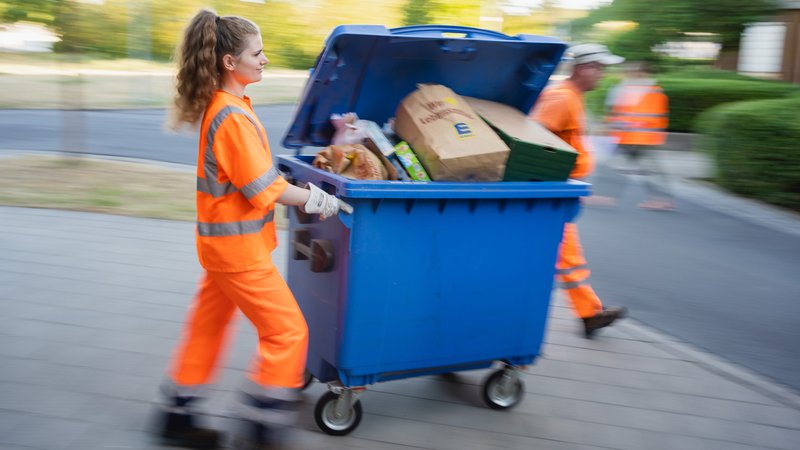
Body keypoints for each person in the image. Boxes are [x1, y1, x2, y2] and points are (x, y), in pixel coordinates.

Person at [156, 8, 348, 449]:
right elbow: (264, 187)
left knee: (207, 326)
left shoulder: (226, 107)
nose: (263, 60)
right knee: (288, 331)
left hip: (221, 247)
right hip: (239, 253)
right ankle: (262, 426)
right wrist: (320, 199)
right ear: (229, 62)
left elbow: (248, 177)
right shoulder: (233, 116)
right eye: (256, 54)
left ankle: (177, 413)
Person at [530, 43, 628, 338]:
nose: (603, 74)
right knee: (565, 253)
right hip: (552, 190)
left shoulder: (571, 97)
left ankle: (589, 312)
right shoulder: (562, 98)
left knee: (565, 253)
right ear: (585, 68)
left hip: (559, 189)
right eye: (601, 68)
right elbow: (534, 138)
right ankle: (588, 313)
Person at [605, 62, 674, 210]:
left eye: (633, 71)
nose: (630, 74)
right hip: (630, 137)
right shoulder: (633, 88)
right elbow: (618, 111)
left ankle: (661, 201)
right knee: (621, 167)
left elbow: (644, 117)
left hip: (640, 138)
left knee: (646, 170)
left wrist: (619, 124)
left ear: (643, 73)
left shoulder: (647, 90)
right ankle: (607, 196)